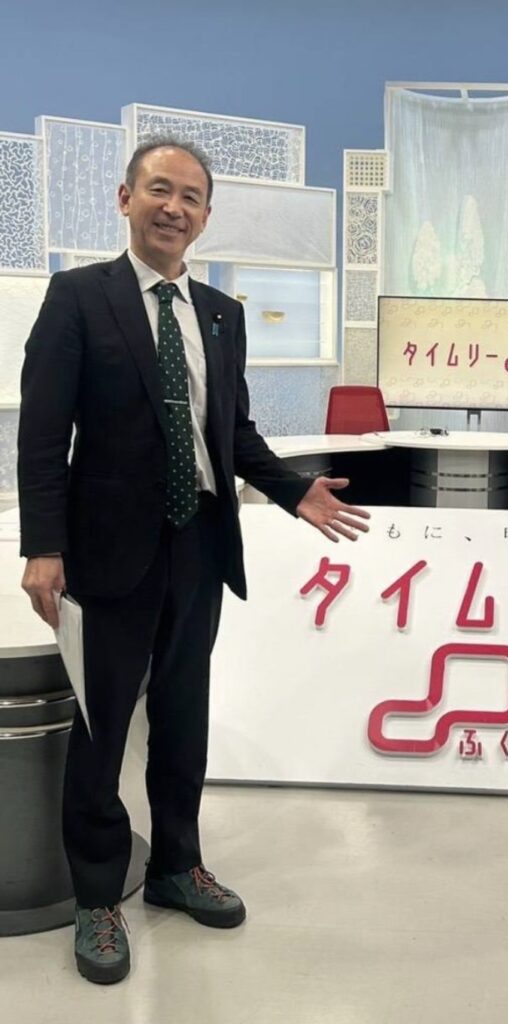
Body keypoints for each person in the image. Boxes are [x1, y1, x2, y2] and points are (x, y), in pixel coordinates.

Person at [17, 138, 370, 985]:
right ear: (126, 199)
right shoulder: (79, 298)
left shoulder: (220, 313)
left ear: (206, 216)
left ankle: (178, 864)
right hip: (108, 550)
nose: (174, 208)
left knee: (183, 717)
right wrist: (43, 546)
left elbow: (231, 431)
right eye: (159, 190)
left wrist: (294, 490)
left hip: (200, 542)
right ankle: (98, 895)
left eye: (191, 197)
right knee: (103, 729)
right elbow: (42, 431)